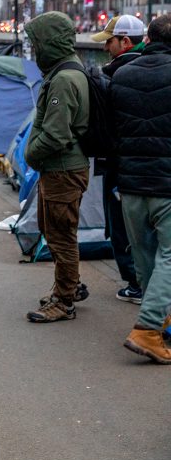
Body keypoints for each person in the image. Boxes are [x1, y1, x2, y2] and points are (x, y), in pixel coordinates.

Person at [110, 14, 171, 364]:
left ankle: (159, 324)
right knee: (169, 255)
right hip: (166, 182)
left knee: (145, 256)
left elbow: (111, 129)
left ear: (148, 38)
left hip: (131, 183)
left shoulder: (122, 73)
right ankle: (148, 328)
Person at [23, 12, 90, 324]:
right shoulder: (70, 71)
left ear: (48, 43)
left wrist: (31, 155)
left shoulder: (63, 80)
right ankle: (69, 285)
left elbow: (56, 134)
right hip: (64, 169)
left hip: (62, 170)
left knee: (61, 236)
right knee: (60, 232)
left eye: (37, 44)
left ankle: (64, 301)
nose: (34, 51)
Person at [91, 15, 147, 303]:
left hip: (119, 166)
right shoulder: (158, 68)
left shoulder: (112, 75)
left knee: (121, 229)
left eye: (110, 41)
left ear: (125, 41)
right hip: (155, 167)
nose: (105, 48)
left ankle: (134, 284)